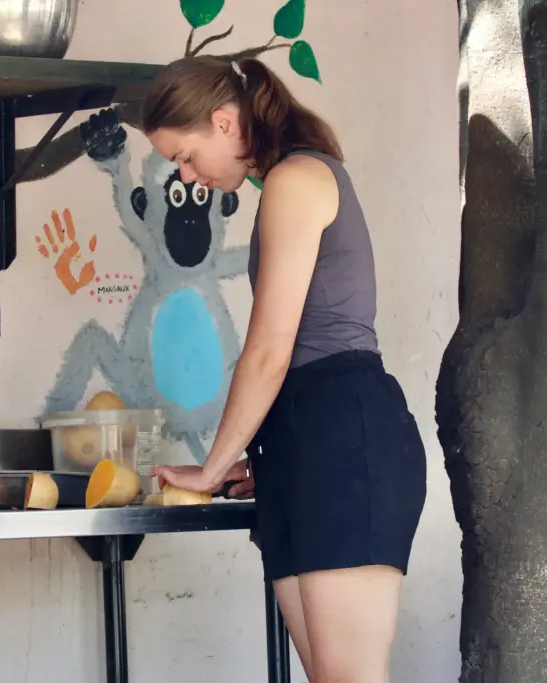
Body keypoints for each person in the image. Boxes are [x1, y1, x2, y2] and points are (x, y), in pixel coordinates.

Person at [146, 56, 427, 683]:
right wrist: (265, 455)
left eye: (185, 156)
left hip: (346, 436)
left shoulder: (296, 180)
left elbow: (270, 349)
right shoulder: (285, 183)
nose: (188, 175)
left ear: (223, 123)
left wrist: (212, 467)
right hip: (304, 441)